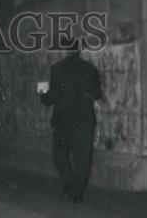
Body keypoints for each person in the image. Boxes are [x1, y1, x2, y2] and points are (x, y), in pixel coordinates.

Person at [38, 45, 103, 203]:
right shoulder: (90, 69)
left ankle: (68, 185)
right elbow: (98, 94)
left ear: (66, 51)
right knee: (83, 157)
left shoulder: (57, 69)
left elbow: (49, 98)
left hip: (63, 122)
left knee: (60, 154)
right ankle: (77, 192)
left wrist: (42, 92)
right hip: (85, 122)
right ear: (79, 51)